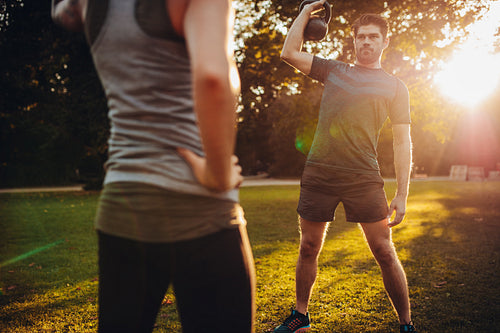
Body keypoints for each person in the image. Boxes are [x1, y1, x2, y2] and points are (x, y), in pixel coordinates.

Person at [51, 0, 255, 332]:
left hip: (122, 203)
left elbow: (63, 12)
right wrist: (216, 174)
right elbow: (214, 79)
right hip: (198, 206)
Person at [275, 1, 416, 332]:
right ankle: (301, 315)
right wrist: (305, 12)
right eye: (360, 37)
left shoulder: (396, 87)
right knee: (308, 246)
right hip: (319, 173)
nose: (365, 42)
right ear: (354, 41)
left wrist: (403, 194)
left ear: (384, 41)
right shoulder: (333, 70)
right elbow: (289, 53)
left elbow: (402, 142)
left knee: (383, 250)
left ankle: (406, 323)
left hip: (364, 178)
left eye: (372, 37)